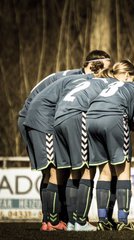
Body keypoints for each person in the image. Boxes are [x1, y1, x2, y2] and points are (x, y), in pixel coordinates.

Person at [22, 50, 111, 231]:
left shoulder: (72, 75)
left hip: (33, 116)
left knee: (53, 170)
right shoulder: (80, 79)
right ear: (94, 66)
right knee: (55, 171)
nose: (104, 75)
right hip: (42, 118)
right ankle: (54, 220)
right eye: (104, 70)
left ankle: (50, 220)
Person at [53, 60, 134, 231]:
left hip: (61, 115)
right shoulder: (116, 84)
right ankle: (83, 221)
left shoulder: (91, 81)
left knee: (74, 169)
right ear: (126, 75)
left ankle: (72, 221)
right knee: (88, 170)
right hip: (79, 116)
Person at [86, 63, 134, 231]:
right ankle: (123, 220)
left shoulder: (109, 85)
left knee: (104, 172)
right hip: (113, 117)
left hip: (91, 118)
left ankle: (102, 220)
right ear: (128, 75)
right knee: (123, 170)